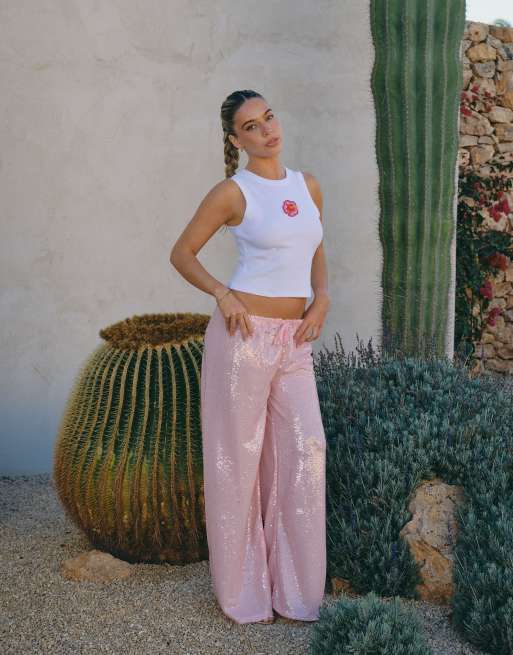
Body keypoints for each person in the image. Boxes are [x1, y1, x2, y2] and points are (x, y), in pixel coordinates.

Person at [169, 89, 330, 625]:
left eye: (268, 117)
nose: (266, 130)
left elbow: (315, 248)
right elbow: (182, 253)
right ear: (236, 140)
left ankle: (298, 594)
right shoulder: (233, 192)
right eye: (252, 126)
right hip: (243, 339)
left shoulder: (307, 185)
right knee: (235, 463)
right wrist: (222, 294)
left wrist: (322, 299)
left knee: (305, 454)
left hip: (295, 342)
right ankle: (244, 596)